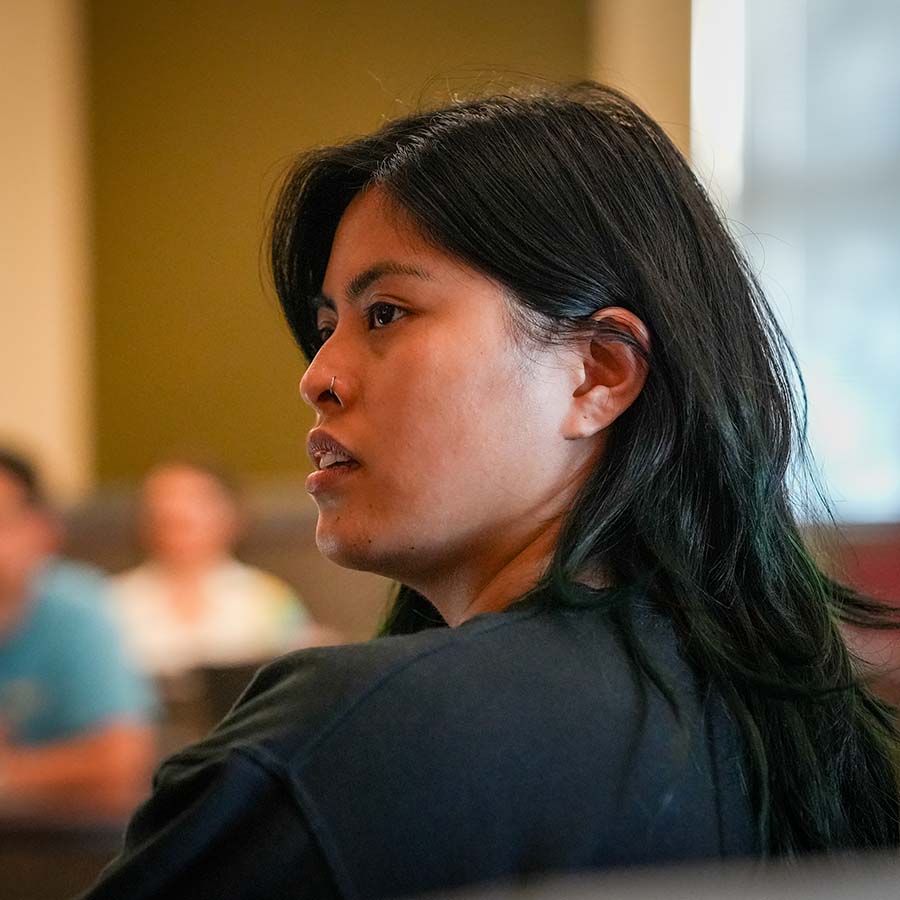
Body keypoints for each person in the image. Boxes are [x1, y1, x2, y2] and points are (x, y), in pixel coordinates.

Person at [81, 83, 899, 899]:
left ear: (597, 375)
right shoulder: (790, 735)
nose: (317, 377)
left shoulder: (360, 739)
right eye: (327, 326)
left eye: (388, 312)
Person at [0, 449, 156, 825]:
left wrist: (12, 773)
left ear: (41, 529)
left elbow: (123, 758)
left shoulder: (77, 609)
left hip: (54, 843)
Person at [113, 460, 324, 679]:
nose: (177, 509)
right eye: (162, 499)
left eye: (195, 498)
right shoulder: (111, 602)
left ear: (232, 515)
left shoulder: (269, 598)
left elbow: (305, 671)